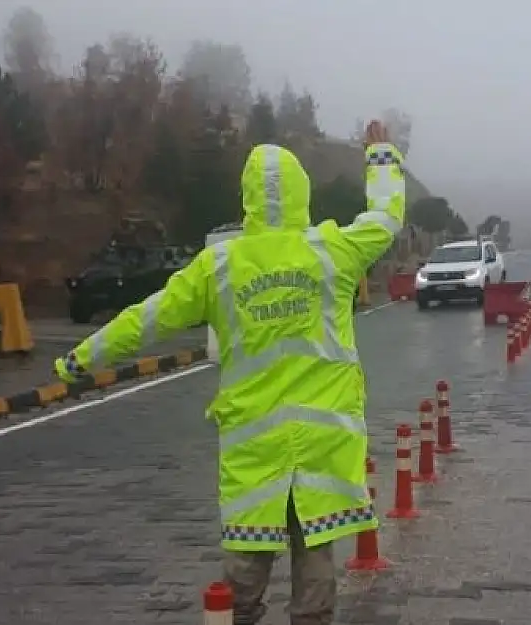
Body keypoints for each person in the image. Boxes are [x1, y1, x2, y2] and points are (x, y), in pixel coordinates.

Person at [54, 121, 405, 625]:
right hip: (324, 444)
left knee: (242, 578)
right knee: (315, 570)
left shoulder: (218, 267)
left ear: (247, 200)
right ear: (303, 191)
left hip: (253, 449)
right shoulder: (334, 253)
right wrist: (380, 155)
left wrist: (81, 358)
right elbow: (387, 215)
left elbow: (146, 319)